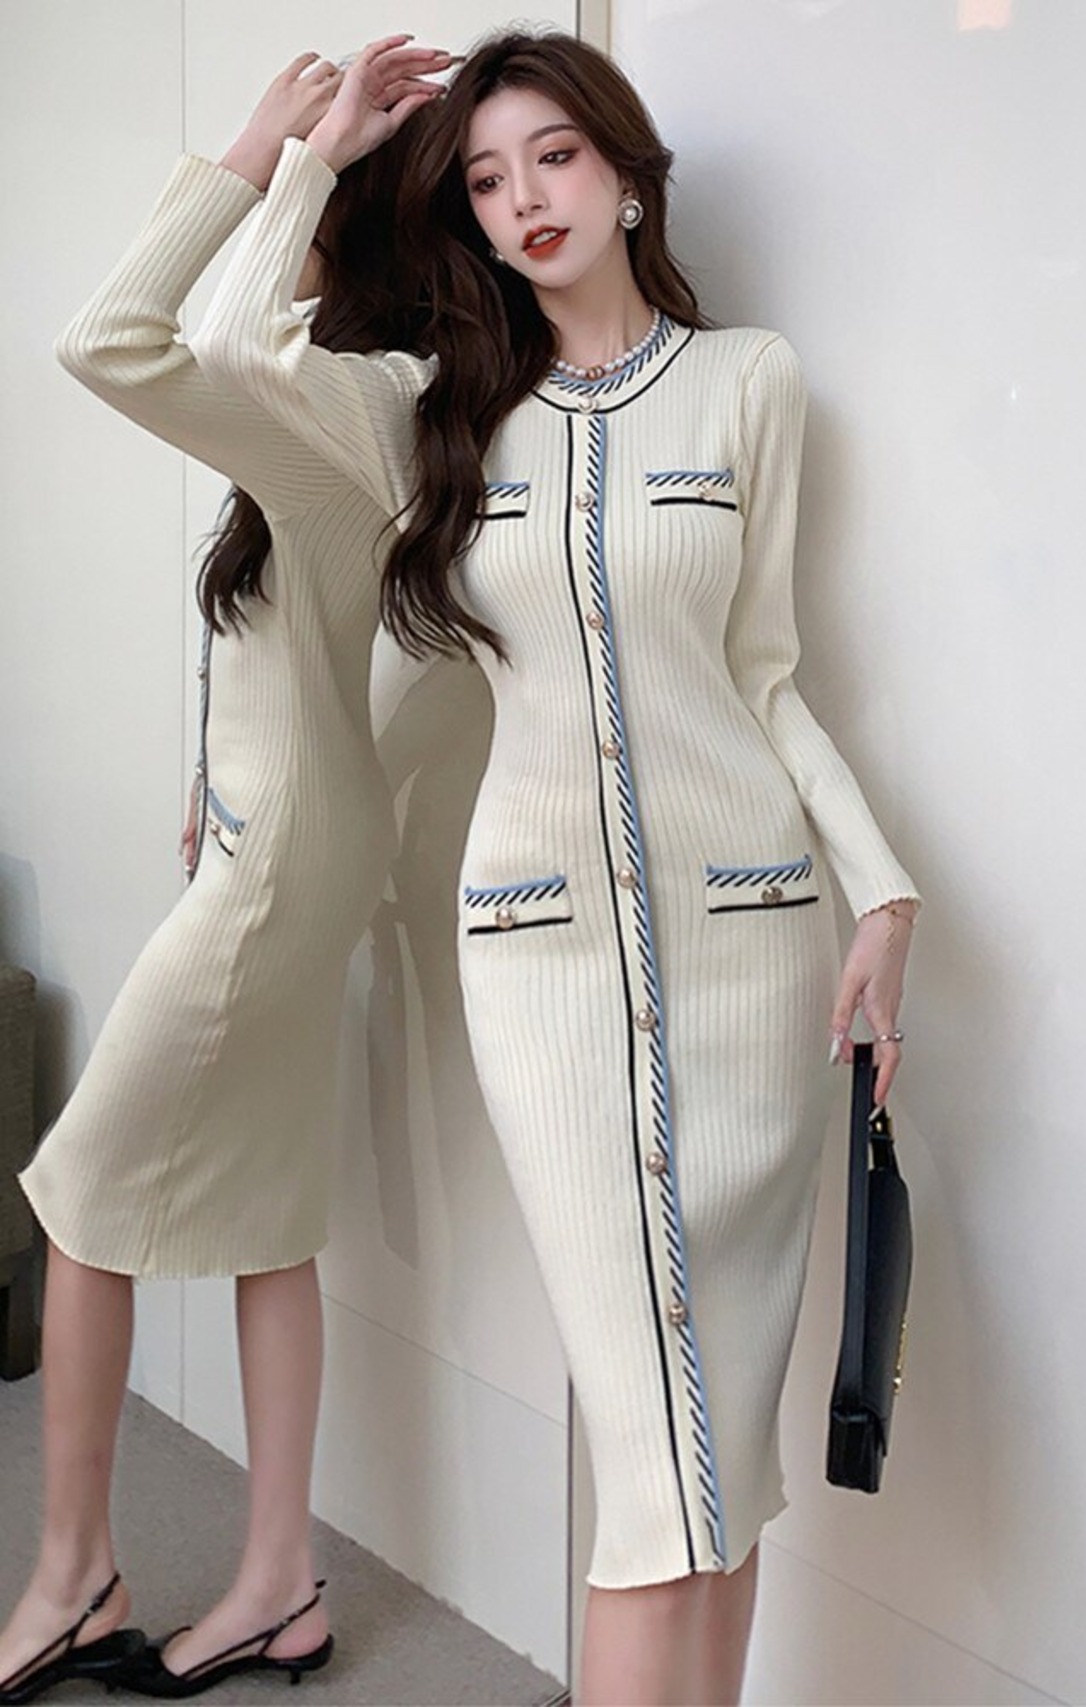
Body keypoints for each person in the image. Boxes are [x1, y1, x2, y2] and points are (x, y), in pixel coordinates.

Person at [185, 28, 922, 1706]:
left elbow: (767, 676)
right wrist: (314, 153)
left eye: (556, 156)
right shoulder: (435, 414)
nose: (525, 197)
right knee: (650, 1461)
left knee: (723, 1444)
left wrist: (882, 892)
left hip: (752, 958)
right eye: (487, 177)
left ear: (628, 174)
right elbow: (221, 351)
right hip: (542, 968)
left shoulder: (751, 383)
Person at [0, 45, 448, 1705]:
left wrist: (276, 148)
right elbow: (284, 622)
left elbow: (126, 336)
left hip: (288, 857)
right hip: (284, 834)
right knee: (265, 1214)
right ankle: (279, 1582)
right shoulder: (332, 416)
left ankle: (74, 1577)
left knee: (80, 1193)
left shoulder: (369, 399)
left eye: (304, 209)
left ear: (343, 229)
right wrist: (220, 771)